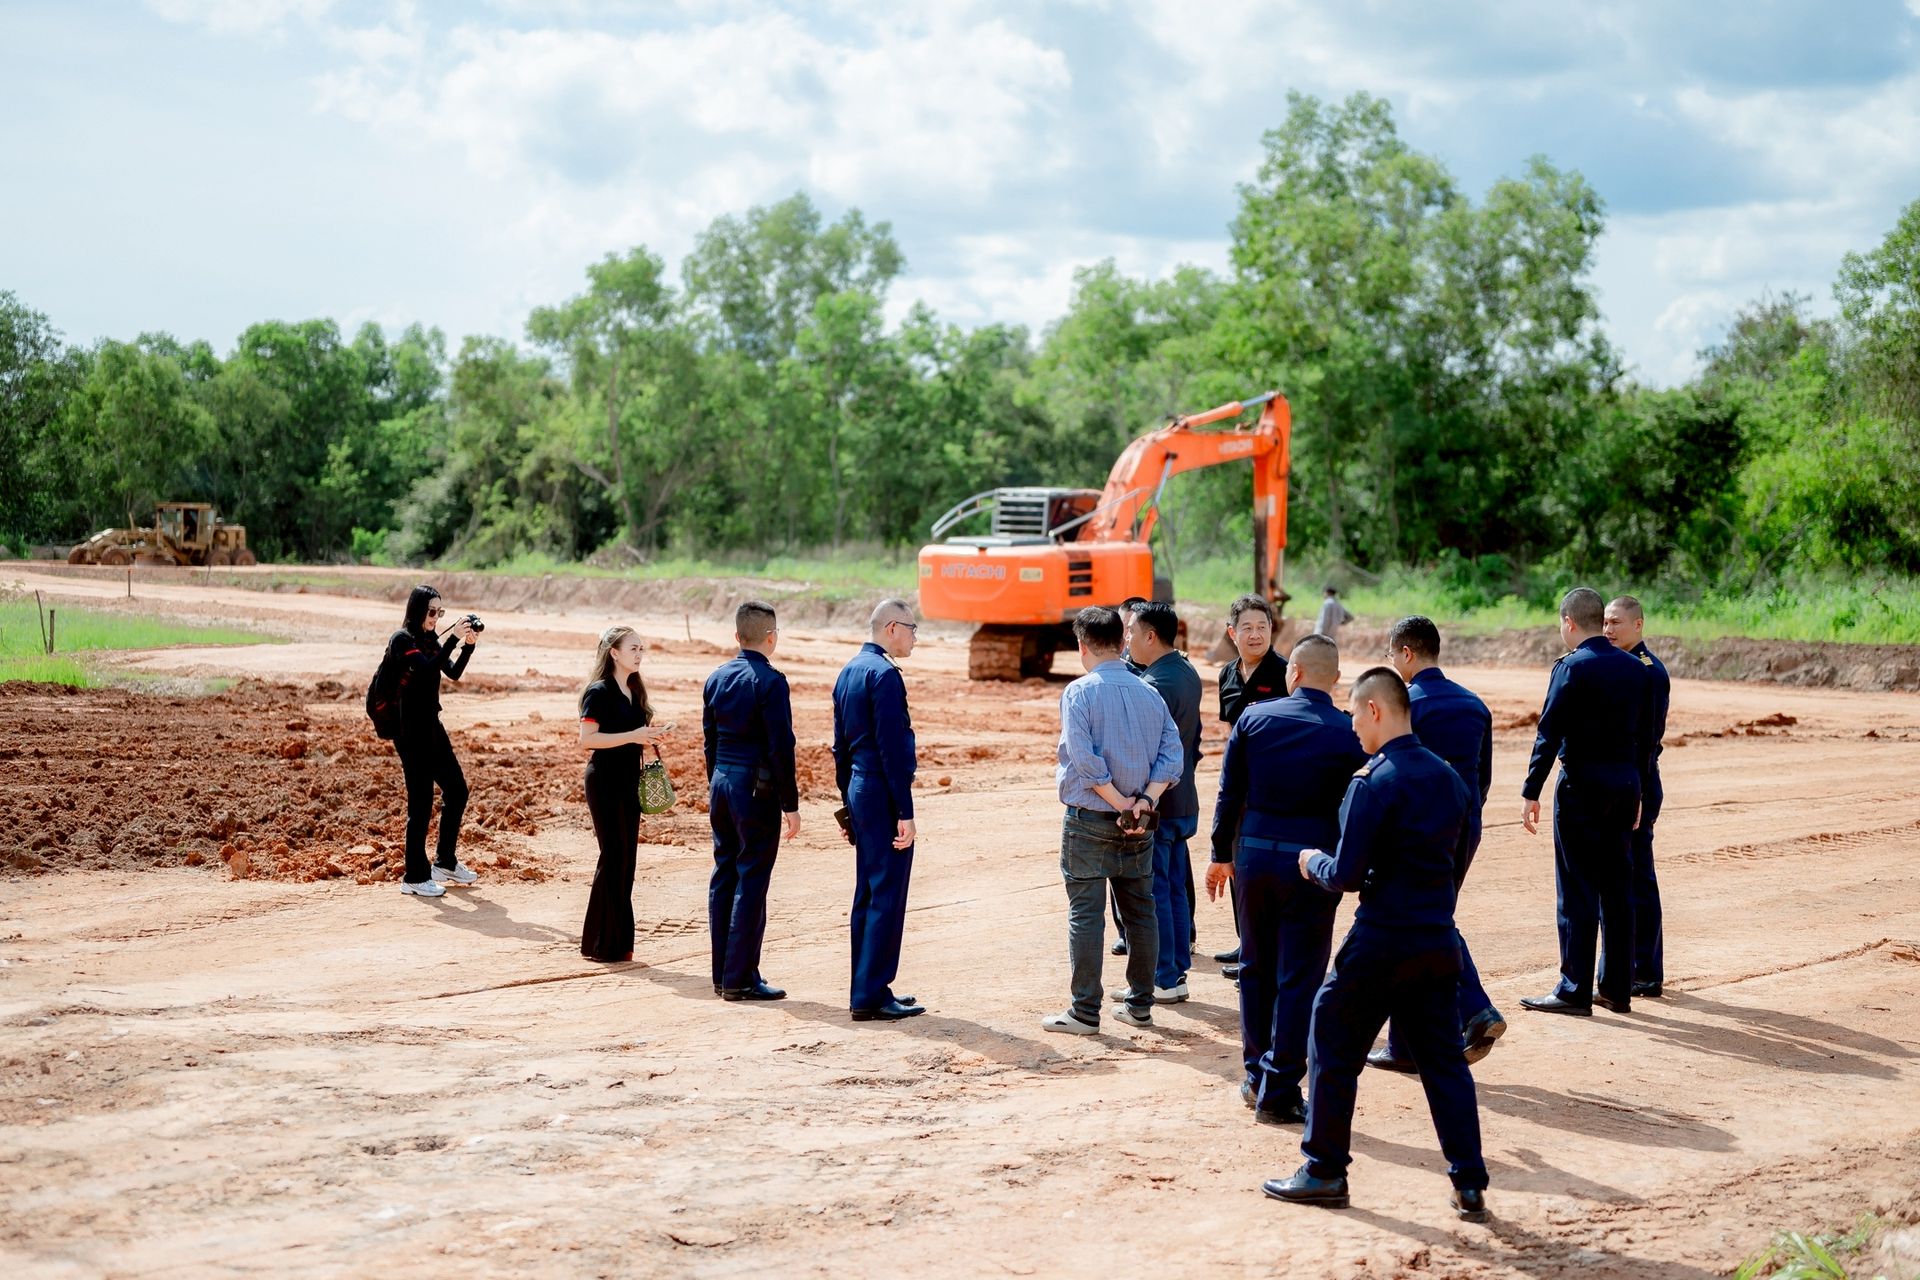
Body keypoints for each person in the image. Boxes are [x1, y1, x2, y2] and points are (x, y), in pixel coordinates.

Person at [1264, 667, 1489, 1223]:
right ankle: (1469, 1183)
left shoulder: (1372, 782)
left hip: (1381, 941)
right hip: (1437, 940)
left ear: (1375, 710)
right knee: (1444, 1064)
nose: (1354, 730)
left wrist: (1312, 862)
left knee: (1330, 1039)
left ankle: (1324, 1169)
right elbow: (1458, 859)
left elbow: (1345, 874)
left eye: (1355, 717)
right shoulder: (1450, 779)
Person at [1208, 634, 1365, 1124]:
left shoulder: (1254, 719)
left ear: (1292, 673)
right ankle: (1279, 1088)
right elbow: (1359, 805)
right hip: (1313, 867)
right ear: (1335, 679)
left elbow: (1229, 792)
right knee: (1300, 977)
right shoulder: (1348, 732)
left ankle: (1256, 1075)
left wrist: (1220, 854)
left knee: (1254, 967)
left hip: (1254, 859)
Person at [1371, 616, 1506, 1071]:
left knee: (1422, 921)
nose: (1392, 663)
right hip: (1465, 825)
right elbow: (1483, 777)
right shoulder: (1474, 704)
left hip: (1418, 830)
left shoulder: (1406, 705)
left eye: (1392, 655)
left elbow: (1388, 771)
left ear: (1406, 653)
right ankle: (1407, 1046)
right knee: (1425, 922)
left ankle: (1475, 1009)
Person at [1042, 606, 1182, 1035]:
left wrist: (1122, 802)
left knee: (1086, 915)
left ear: (1082, 646)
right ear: (1122, 643)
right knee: (1141, 912)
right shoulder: (1150, 693)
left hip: (1090, 819)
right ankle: (1140, 1005)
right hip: (1139, 821)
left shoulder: (1079, 692)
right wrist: (1143, 802)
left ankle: (1085, 1011)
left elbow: (1085, 761)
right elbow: (1171, 756)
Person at [1519, 587, 1654, 1017]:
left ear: (1569, 623)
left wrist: (1531, 789)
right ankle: (1616, 988)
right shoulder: (1636, 669)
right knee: (1617, 888)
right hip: (1624, 786)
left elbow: (1549, 732)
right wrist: (1639, 789)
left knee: (1577, 887)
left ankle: (1574, 989)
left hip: (1581, 787)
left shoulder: (1571, 667)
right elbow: (1647, 739)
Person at [702, 600, 800, 1002]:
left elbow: (709, 740)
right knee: (752, 878)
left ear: (737, 636)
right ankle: (740, 978)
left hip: (722, 782)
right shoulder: (771, 682)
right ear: (771, 637)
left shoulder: (716, 677)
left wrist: (716, 783)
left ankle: (723, 975)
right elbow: (781, 747)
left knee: (724, 873)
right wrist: (790, 804)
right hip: (755, 789)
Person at [834, 599, 926, 1023]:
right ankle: (872, 994)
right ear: (892, 628)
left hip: (859, 788)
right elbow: (893, 750)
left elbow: (839, 748)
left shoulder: (849, 671)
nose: (914, 637)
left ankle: (867, 987)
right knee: (886, 893)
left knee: (868, 892)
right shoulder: (885, 675)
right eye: (912, 628)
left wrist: (847, 803)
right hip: (882, 791)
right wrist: (904, 810)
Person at [577, 626, 676, 962]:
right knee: (613, 856)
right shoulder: (599, 691)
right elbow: (587, 739)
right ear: (614, 653)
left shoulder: (634, 690)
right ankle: (599, 944)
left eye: (641, 648)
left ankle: (619, 944)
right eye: (633, 648)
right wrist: (634, 735)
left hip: (629, 780)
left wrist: (650, 735)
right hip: (604, 780)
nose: (639, 654)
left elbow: (632, 734)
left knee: (627, 861)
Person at [1128, 601, 1203, 1002]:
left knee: (1155, 891)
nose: (1127, 640)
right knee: (1173, 888)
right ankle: (1176, 973)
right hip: (1184, 799)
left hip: (1158, 803)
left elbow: (1147, 753)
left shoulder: (1153, 685)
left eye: (1131, 632)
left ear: (1150, 636)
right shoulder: (1186, 671)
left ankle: (1164, 977)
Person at [387, 585, 479, 898]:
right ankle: (414, 876)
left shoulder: (429, 640)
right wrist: (452, 639)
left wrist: (467, 647)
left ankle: (445, 862)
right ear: (417, 611)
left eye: (440, 612)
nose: (436, 617)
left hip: (431, 727)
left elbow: (451, 671)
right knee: (421, 803)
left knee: (457, 790)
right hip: (409, 732)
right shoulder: (402, 640)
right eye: (431, 611)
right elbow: (426, 670)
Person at [1213, 594, 1289, 972]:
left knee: (1266, 869)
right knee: (1237, 863)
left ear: (1272, 630)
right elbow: (1229, 731)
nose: (1255, 634)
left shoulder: (1285, 673)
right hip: (1238, 787)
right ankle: (1247, 943)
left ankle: (1266, 953)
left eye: (1262, 627)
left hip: (1275, 788)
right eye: (1247, 628)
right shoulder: (1226, 675)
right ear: (1233, 633)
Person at [1602, 595, 1670, 998]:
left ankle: (1646, 970)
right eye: (1605, 623)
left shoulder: (1648, 671)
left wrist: (1640, 792)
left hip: (1639, 782)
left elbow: (1648, 741)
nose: (1608, 629)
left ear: (1638, 625)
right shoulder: (1619, 666)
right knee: (1620, 878)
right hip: (1624, 782)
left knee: (1639, 878)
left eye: (1616, 623)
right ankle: (1627, 967)